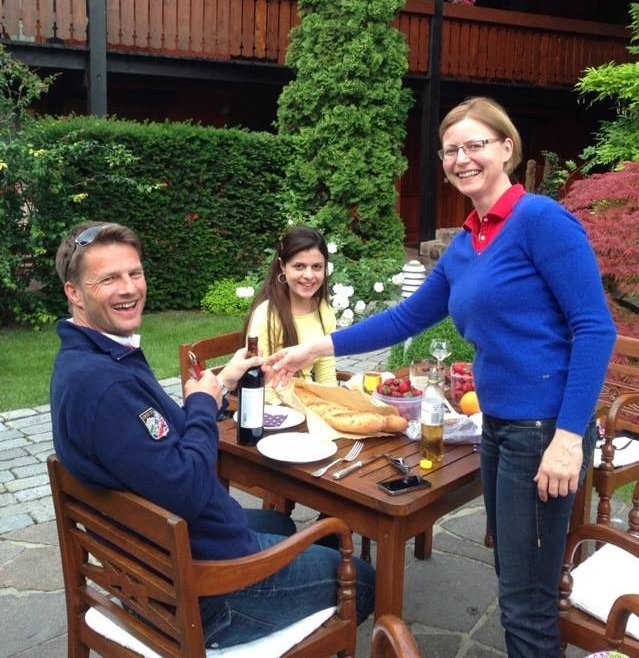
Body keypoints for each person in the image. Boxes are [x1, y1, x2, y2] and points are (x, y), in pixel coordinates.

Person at [270, 97, 616, 657]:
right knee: (514, 575)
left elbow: (594, 329)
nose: (461, 158)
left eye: (475, 145)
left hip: (543, 428)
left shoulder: (540, 221)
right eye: (451, 149)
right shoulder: (467, 242)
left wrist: (569, 437)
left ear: (507, 149)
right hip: (499, 427)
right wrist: (318, 344)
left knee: (526, 599)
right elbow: (407, 316)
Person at [50, 221, 374, 648]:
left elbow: (160, 442)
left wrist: (218, 387)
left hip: (159, 555)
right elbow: (188, 487)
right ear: (74, 292)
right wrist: (201, 403)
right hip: (201, 592)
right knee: (363, 576)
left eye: (135, 273)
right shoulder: (105, 386)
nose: (129, 288)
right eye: (109, 278)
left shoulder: (95, 357)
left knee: (279, 519)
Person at [244, 225, 338, 401]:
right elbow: (262, 385)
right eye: (299, 266)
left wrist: (332, 407)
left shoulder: (324, 310)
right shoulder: (266, 315)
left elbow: (326, 375)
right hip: (273, 411)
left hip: (311, 404)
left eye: (317, 266)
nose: (309, 275)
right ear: (282, 266)